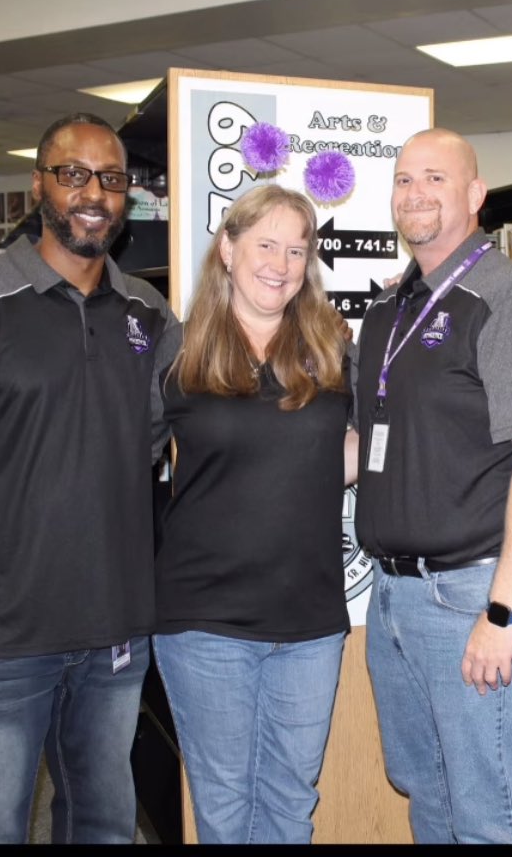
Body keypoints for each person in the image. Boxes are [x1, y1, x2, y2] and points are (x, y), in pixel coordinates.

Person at [0, 112, 181, 843]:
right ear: (38, 184)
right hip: (2, 636)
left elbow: (167, 443)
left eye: (112, 179)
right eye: (73, 173)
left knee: (104, 823)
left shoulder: (149, 313)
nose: (94, 193)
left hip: (117, 630)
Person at [355, 127, 512, 843]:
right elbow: (373, 449)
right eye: (404, 180)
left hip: (475, 594)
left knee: (492, 808)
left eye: (436, 179)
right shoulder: (389, 311)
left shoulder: (509, 300)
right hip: (396, 595)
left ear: (476, 195)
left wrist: (504, 615)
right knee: (429, 791)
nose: (415, 193)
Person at [151, 184, 357, 843]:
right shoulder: (177, 352)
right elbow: (121, 464)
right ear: (229, 247)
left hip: (310, 620)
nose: (281, 262)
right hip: (204, 618)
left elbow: (345, 455)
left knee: (290, 803)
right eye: (266, 243)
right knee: (225, 806)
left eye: (297, 249)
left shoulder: (332, 351)